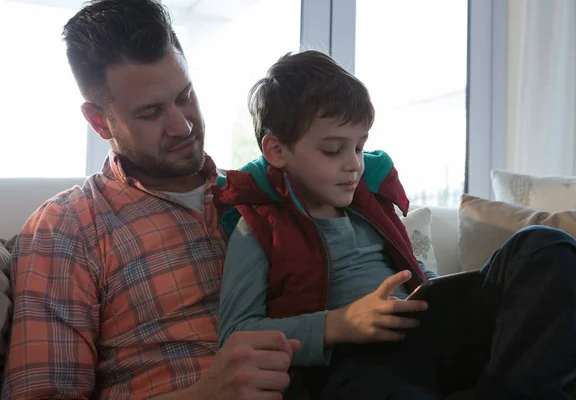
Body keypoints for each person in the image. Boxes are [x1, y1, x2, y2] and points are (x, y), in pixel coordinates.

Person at [213, 51, 576, 399]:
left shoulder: (371, 206)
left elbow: (412, 273)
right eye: (332, 150)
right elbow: (236, 334)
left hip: (431, 332)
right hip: (360, 360)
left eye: (359, 147)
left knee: (544, 245)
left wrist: (439, 288)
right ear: (277, 151)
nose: (354, 164)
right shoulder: (257, 228)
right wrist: (340, 323)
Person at [1, 1, 300, 399]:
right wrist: (206, 393)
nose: (183, 125)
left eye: (185, 96)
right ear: (98, 121)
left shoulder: (264, 191)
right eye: (150, 113)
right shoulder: (67, 226)